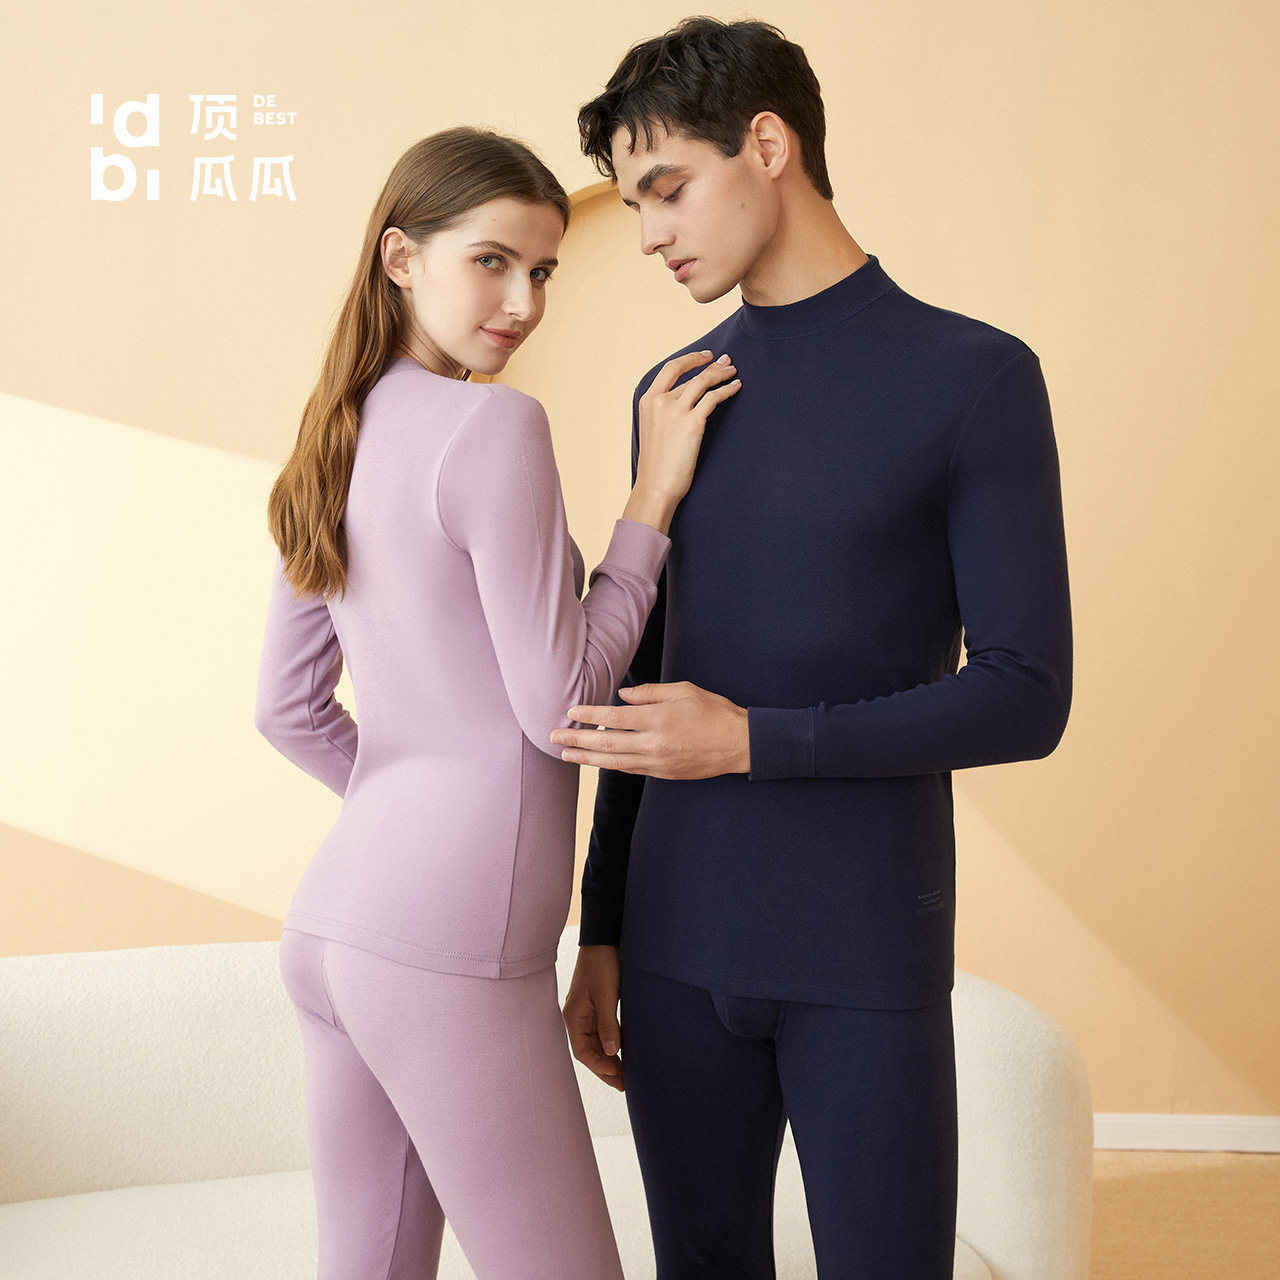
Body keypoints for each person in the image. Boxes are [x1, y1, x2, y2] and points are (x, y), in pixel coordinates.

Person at [554, 17, 1073, 1280]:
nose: (649, 232)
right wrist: (600, 922)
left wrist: (749, 739)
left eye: (667, 187)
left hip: (861, 944)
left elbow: (1024, 694)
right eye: (633, 201)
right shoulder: (674, 392)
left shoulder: (972, 378)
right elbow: (637, 679)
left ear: (768, 144)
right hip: (674, 946)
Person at [253, 125, 740, 1280]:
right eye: (491, 262)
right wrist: (649, 502)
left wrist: (403, 815)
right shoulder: (492, 425)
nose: (522, 302)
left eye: (542, 270)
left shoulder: (337, 429)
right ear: (400, 257)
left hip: (332, 925)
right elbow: (562, 701)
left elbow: (287, 708)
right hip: (448, 940)